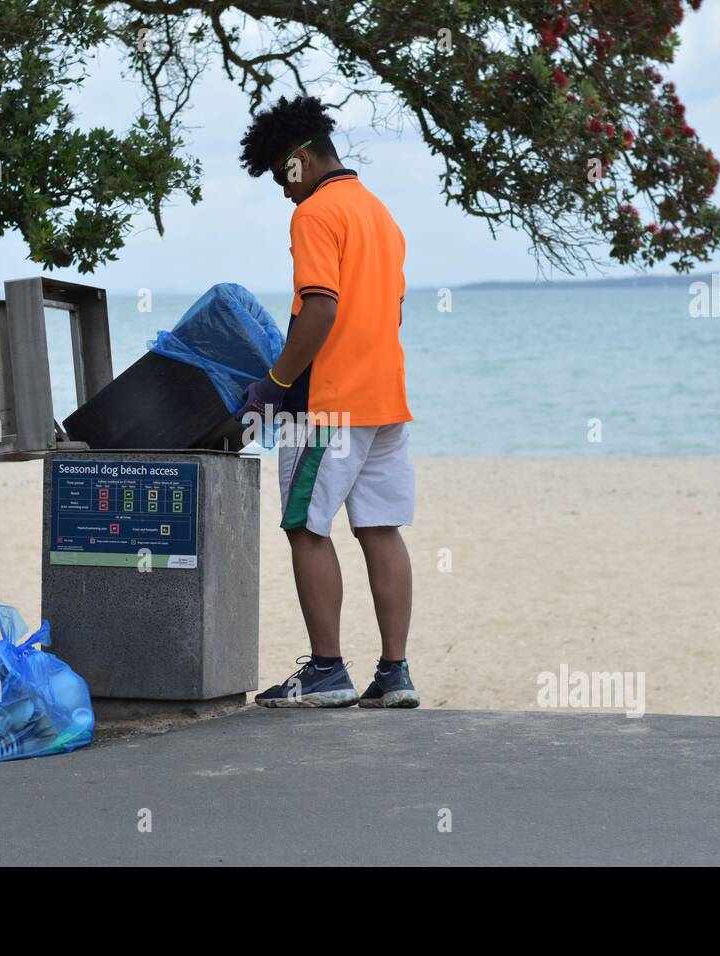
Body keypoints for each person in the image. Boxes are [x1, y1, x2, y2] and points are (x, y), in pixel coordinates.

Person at [236, 95, 418, 709]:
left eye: (279, 177)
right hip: (386, 400)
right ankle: (394, 675)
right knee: (379, 529)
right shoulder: (381, 215)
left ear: (299, 161)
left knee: (306, 528)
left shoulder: (316, 213)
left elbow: (320, 307)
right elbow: (389, 311)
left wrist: (274, 384)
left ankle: (327, 671)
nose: (283, 193)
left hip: (329, 404)